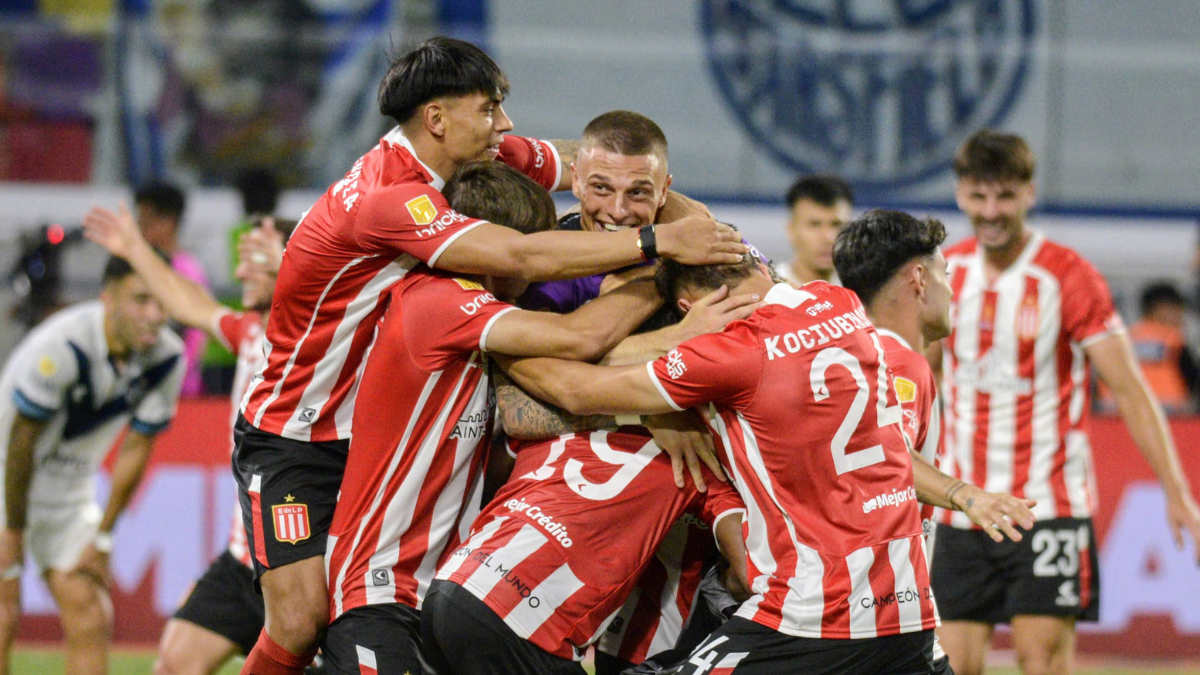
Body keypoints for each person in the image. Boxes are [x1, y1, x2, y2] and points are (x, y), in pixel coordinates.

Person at [230, 37, 746, 675]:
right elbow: (526, 264)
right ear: (437, 118)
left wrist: (668, 200)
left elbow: (592, 162)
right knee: (299, 620)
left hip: (376, 440)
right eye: (489, 108)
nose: (505, 124)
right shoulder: (392, 203)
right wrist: (659, 248)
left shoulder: (485, 157)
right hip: (297, 431)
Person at [495, 254, 944, 674]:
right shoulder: (839, 302)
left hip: (813, 609)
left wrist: (495, 338)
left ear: (689, 308)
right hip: (907, 604)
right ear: (760, 268)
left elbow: (576, 392)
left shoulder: (728, 355)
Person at [320, 159, 674, 675]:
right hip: (381, 585)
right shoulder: (440, 301)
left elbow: (567, 383)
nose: (543, 270)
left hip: (443, 586)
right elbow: (582, 338)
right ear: (493, 248)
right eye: (534, 251)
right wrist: (662, 272)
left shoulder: (485, 320)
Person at [931, 129, 1200, 675]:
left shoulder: (1069, 276)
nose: (991, 211)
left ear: (1029, 193)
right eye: (979, 196)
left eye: (1005, 195)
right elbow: (923, 378)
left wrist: (1177, 492)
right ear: (960, 194)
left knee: (1042, 663)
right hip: (963, 510)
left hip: (1048, 510)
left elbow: (1130, 391)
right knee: (952, 666)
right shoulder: (945, 274)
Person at [81, 205, 317, 675]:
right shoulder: (249, 333)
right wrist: (137, 250)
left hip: (301, 563)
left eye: (257, 260)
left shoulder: (318, 343)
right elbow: (188, 302)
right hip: (242, 562)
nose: (240, 273)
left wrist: (300, 268)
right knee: (173, 664)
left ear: (294, 266)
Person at [0, 256, 185, 675]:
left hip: (68, 489)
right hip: (5, 476)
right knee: (4, 611)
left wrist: (102, 537)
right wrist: (12, 530)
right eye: (141, 300)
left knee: (90, 608)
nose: (155, 315)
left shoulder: (167, 358)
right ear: (108, 298)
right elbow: (21, 442)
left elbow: (137, 448)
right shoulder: (64, 345)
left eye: (161, 301)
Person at [134, 182, 211, 397]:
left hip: (179, 388)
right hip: (140, 382)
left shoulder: (188, 271)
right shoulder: (137, 265)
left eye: (146, 222)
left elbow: (197, 333)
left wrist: (177, 373)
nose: (140, 228)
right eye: (140, 221)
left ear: (169, 222)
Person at [1097, 282, 1198, 415]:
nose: (1181, 316)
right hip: (1170, 413)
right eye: (1177, 309)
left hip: (1114, 412)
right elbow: (1192, 378)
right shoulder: (1173, 339)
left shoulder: (1121, 339)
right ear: (1159, 308)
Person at [776, 174, 853, 287]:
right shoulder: (767, 292)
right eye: (814, 225)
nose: (828, 238)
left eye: (837, 225)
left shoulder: (860, 292)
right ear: (791, 230)